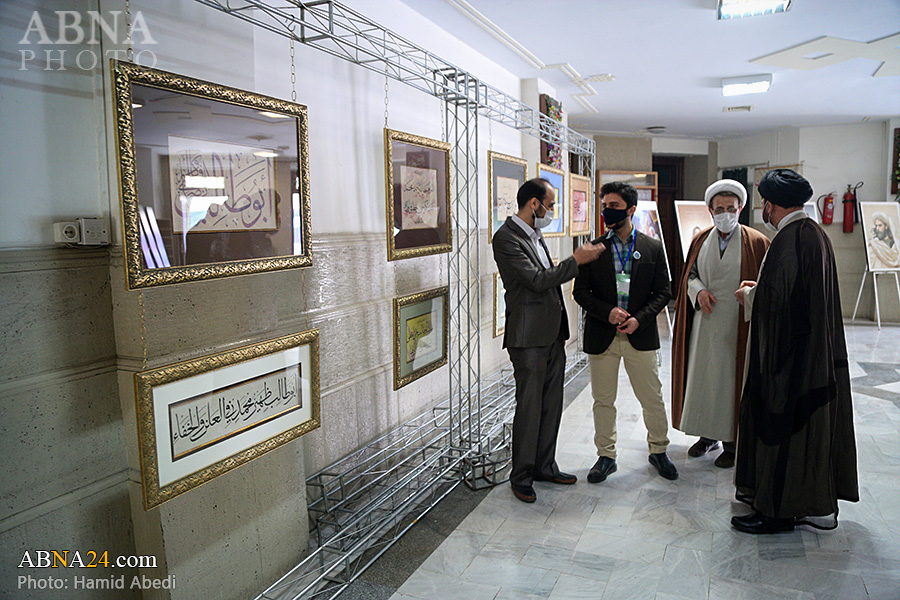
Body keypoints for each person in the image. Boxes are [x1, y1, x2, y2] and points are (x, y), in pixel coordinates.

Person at [732, 168, 859, 534]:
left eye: (765, 203)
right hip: (808, 353)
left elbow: (777, 304)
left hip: (789, 359)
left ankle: (777, 512)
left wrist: (750, 295)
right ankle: (783, 503)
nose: (764, 210)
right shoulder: (813, 233)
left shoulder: (790, 239)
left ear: (771, 205)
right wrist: (761, 288)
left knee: (781, 429)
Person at [493, 178, 605, 503]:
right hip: (528, 337)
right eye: (551, 204)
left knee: (551, 404)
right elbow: (536, 280)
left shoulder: (534, 234)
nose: (552, 210)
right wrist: (576, 261)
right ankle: (522, 475)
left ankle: (544, 466)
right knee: (530, 407)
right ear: (534, 204)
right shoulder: (506, 238)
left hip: (552, 334)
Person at [573, 181, 676, 483]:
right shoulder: (593, 249)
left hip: (639, 335)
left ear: (631, 209)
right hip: (603, 335)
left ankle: (659, 450)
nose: (607, 211)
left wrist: (639, 319)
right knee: (603, 400)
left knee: (652, 398)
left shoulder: (652, 247)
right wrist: (607, 312)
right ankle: (606, 456)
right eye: (604, 205)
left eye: (614, 206)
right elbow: (580, 292)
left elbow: (663, 292)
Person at [671, 180, 769, 469]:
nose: (725, 214)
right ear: (710, 211)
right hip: (704, 324)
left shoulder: (757, 242)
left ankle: (732, 443)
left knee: (731, 383)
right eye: (719, 209)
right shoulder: (700, 240)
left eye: (731, 208)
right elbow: (689, 275)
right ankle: (707, 436)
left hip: (738, 326)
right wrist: (698, 290)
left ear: (740, 208)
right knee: (703, 380)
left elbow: (770, 286)